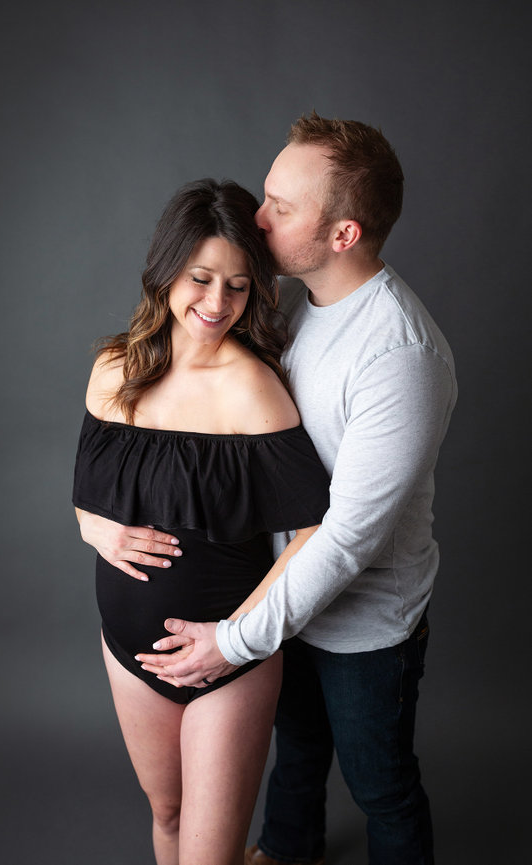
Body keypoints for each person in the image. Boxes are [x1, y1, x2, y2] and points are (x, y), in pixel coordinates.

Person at [81, 113, 458, 865]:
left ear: (342, 234)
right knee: (295, 765)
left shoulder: (398, 357)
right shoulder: (294, 309)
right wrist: (97, 524)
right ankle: (286, 851)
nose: (258, 217)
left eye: (281, 208)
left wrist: (233, 639)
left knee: (379, 786)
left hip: (358, 626)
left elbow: (345, 536)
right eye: (266, 193)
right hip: (277, 606)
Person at [72, 178, 331, 865]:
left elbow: (314, 531)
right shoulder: (112, 371)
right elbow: (88, 498)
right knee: (167, 814)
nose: (217, 303)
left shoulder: (252, 388)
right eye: (201, 277)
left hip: (227, 661)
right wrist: (90, 528)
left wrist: (234, 635)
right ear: (166, 270)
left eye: (239, 286)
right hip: (129, 653)